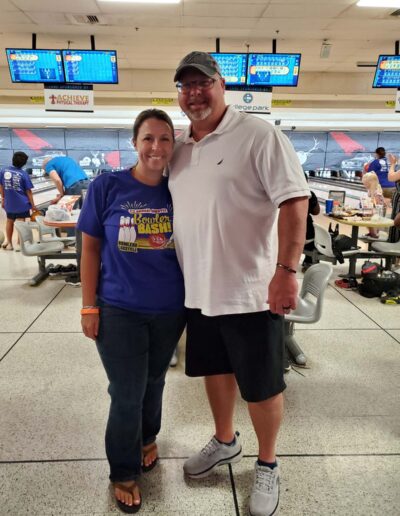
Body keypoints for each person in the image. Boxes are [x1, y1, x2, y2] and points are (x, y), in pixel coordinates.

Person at [169, 51, 309, 516]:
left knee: (263, 385)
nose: (194, 93)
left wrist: (287, 272)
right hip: (200, 290)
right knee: (215, 371)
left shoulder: (258, 134)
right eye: (185, 86)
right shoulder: (181, 146)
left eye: (202, 83)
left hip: (252, 290)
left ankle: (268, 462)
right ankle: (225, 440)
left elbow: (294, 201)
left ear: (221, 84)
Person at [77, 109, 186, 514]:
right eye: (148, 138)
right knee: (126, 392)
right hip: (118, 308)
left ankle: (146, 438)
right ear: (135, 142)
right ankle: (123, 472)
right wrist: (88, 305)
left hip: (170, 309)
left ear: (173, 145)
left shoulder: (180, 190)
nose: (156, 147)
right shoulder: (108, 186)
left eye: (164, 139)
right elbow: (88, 247)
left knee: (155, 380)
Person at [0, 151, 37, 251]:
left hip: (10, 203)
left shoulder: (3, 171)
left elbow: (1, 186)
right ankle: (20, 244)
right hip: (22, 204)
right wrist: (33, 205)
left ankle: (10, 243)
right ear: (24, 163)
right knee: (21, 222)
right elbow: (28, 191)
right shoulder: (24, 174)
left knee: (9, 221)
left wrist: (3, 199)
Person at [302, 174, 320, 272]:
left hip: (286, 234)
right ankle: (309, 261)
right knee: (317, 234)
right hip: (306, 236)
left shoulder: (287, 195)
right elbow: (316, 212)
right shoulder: (310, 194)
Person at [362, 172, 385, 238]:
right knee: (367, 219)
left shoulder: (377, 191)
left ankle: (374, 234)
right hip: (373, 210)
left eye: (365, 184)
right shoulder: (371, 190)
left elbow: (377, 203)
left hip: (378, 211)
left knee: (372, 222)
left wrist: (369, 203)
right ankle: (371, 233)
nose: (364, 186)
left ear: (370, 183)